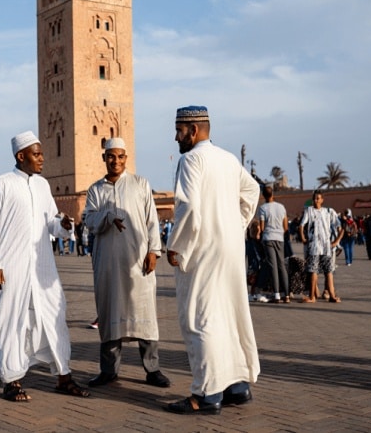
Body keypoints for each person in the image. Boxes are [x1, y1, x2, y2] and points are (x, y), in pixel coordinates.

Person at [165, 106, 260, 415]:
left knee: (199, 319)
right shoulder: (228, 158)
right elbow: (252, 190)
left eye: (179, 131)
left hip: (203, 250)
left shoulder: (191, 159)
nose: (176, 137)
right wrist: (236, 224)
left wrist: (175, 245)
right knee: (227, 315)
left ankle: (206, 395)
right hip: (230, 249)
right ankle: (237, 386)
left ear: (193, 130)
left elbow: (188, 206)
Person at [0, 131, 88, 402]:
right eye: (36, 154)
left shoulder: (42, 186)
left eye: (41, 153)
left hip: (42, 266)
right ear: (21, 156)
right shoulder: (3, 184)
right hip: (10, 266)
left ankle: (63, 376)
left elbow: (51, 222)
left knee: (54, 315)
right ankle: (12, 380)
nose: (42, 158)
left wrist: (63, 226)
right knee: (10, 319)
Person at [84, 138, 171, 389]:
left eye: (121, 157)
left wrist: (154, 251)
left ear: (126, 158)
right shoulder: (95, 190)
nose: (116, 161)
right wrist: (107, 216)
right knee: (111, 314)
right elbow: (89, 220)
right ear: (104, 158)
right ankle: (109, 371)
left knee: (144, 315)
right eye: (111, 156)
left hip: (138, 262)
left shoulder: (140, 184)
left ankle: (152, 370)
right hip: (108, 265)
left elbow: (151, 221)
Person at [299, 190, 343, 303]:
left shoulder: (329, 211)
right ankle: (312, 296)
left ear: (322, 200)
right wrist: (303, 238)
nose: (316, 200)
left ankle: (332, 295)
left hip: (326, 246)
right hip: (314, 246)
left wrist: (336, 241)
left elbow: (339, 227)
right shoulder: (309, 211)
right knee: (313, 270)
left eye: (318, 198)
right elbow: (301, 225)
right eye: (314, 198)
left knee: (329, 271)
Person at [252, 185, 290, 303]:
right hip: (280, 238)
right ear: (273, 194)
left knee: (272, 266)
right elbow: (285, 227)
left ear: (263, 196)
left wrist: (258, 233)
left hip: (268, 238)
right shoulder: (281, 207)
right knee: (281, 265)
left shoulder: (263, 208)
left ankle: (277, 294)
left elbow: (262, 227)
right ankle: (287, 295)